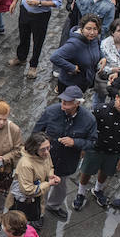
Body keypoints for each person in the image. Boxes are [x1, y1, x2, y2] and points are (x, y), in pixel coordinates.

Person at [33, 86, 96, 220]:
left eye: (67, 103)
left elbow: (93, 143)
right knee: (41, 187)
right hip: (45, 159)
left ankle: (54, 206)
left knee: (60, 186)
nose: (63, 105)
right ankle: (39, 212)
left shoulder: (89, 120)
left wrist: (75, 142)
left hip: (67, 161)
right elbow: (36, 132)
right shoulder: (51, 111)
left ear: (77, 103)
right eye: (62, 101)